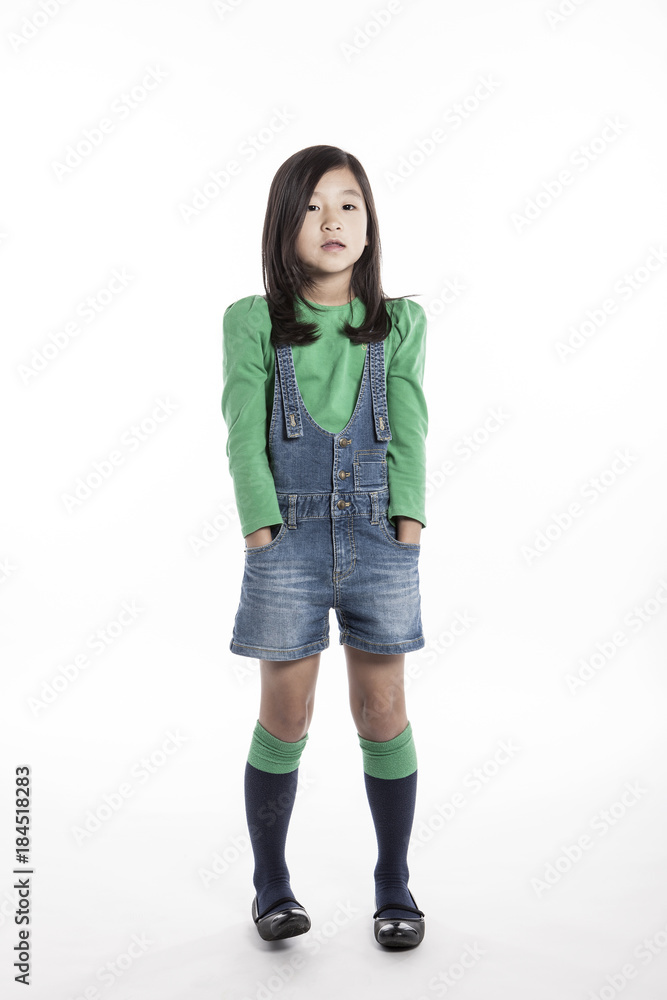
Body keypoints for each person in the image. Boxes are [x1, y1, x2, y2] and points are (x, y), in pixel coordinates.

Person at [221, 145, 428, 949]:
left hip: (380, 537)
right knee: (287, 709)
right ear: (284, 225)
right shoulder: (252, 321)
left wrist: (406, 524)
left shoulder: (399, 322)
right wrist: (260, 529)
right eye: (311, 206)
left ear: (369, 225)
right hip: (289, 543)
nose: (332, 220)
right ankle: (270, 884)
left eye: (347, 204)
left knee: (382, 710)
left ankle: (394, 882)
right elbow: (244, 434)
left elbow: (408, 424)